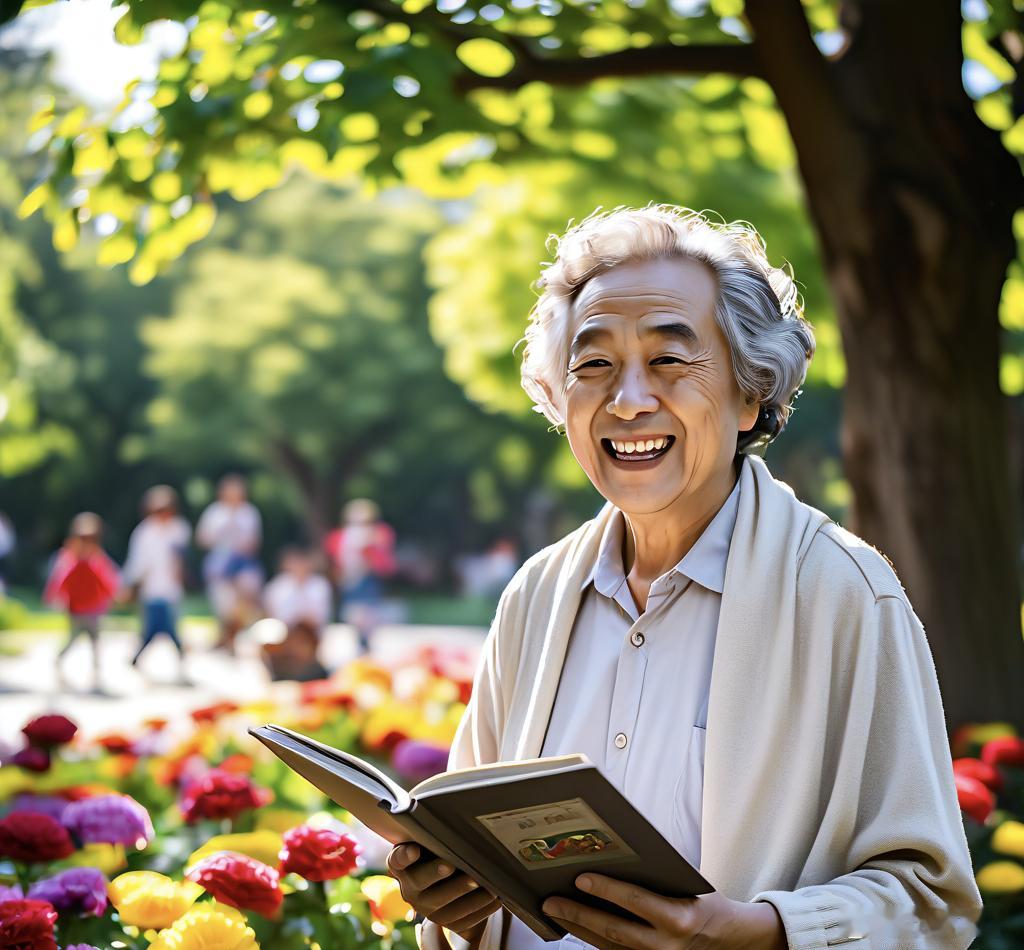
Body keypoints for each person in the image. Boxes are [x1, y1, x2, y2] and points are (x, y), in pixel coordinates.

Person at [389, 205, 983, 950]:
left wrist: (763, 934)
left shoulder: (843, 594)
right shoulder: (534, 596)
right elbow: (474, 856)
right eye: (593, 365)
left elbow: (932, 903)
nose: (628, 399)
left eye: (669, 360)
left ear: (748, 392)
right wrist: (448, 904)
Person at [42, 512, 119, 690]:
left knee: (96, 642)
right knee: (73, 639)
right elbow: (60, 580)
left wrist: (112, 594)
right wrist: (52, 596)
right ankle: (59, 660)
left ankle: (96, 674)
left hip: (94, 609)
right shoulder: (70, 559)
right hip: (76, 609)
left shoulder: (97, 559)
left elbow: (105, 579)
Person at [121, 485, 191, 676]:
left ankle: (180, 657)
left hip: (171, 589)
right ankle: (138, 656)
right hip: (151, 589)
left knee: (171, 627)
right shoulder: (144, 533)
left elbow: (181, 558)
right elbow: (137, 563)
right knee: (150, 627)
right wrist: (130, 584)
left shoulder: (178, 529)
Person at [196, 473, 264, 651]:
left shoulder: (249, 512)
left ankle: (238, 638)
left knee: (243, 605)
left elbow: (254, 541)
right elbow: (202, 538)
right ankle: (225, 638)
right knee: (223, 605)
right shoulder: (214, 512)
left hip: (242, 566)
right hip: (220, 566)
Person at [323, 498, 397, 655]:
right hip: (349, 581)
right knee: (353, 615)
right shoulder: (340, 537)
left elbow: (385, 563)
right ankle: (361, 644)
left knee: (368, 617)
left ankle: (365, 644)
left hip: (369, 581)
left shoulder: (380, 535)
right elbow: (334, 559)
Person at [260, 547, 332, 681]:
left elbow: (318, 618)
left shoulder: (319, 585)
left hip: (309, 635)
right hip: (283, 636)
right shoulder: (276, 587)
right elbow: (272, 617)